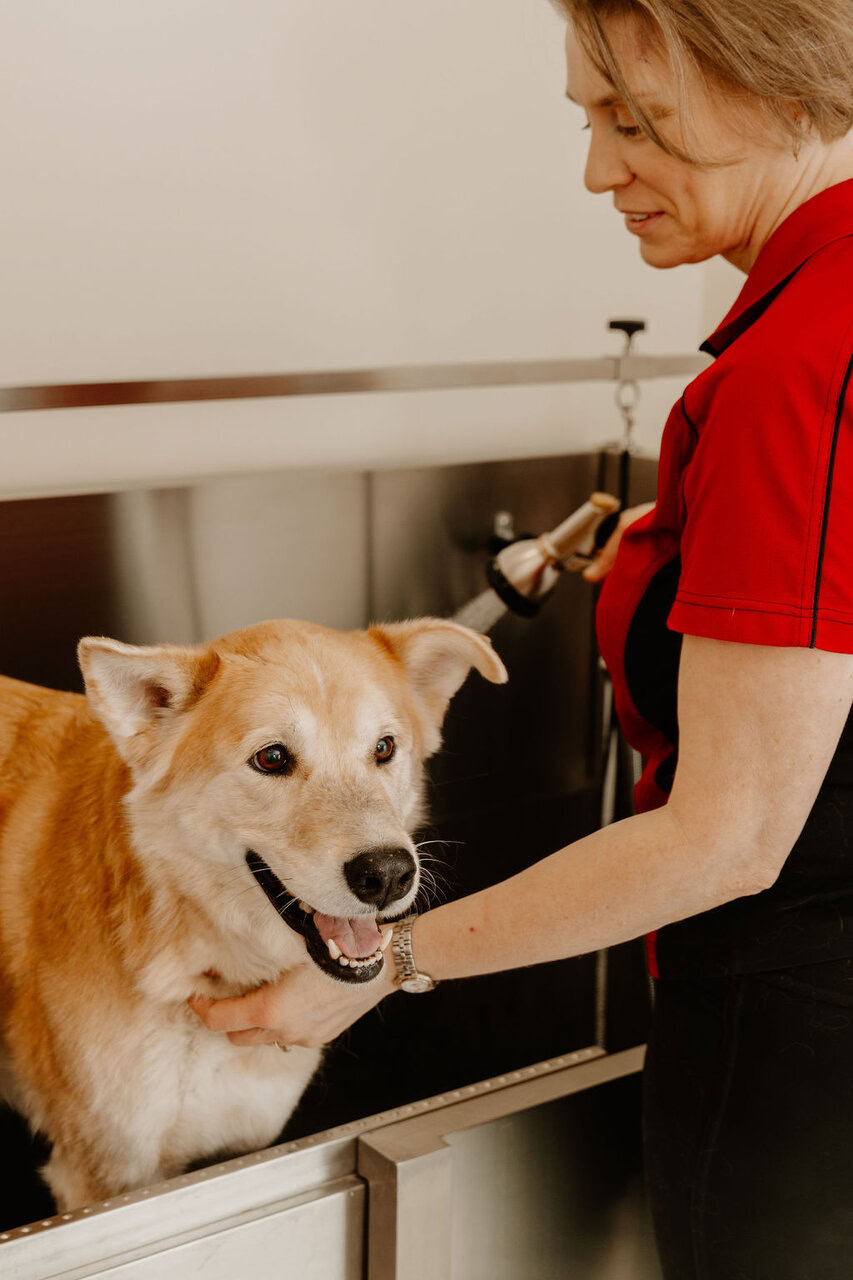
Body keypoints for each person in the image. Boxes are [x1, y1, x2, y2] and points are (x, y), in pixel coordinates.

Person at [191, 2, 853, 1273]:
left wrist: (379, 967)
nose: (598, 169)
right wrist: (691, 551)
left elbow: (728, 835)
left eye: (632, 121)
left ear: (777, 97)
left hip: (796, 1062)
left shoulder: (794, 373)